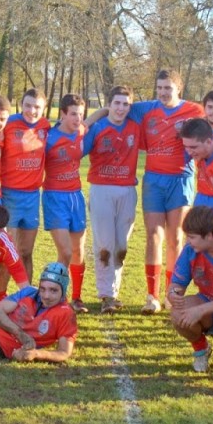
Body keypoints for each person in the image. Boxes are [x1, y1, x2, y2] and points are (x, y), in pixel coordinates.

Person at [87, 70, 204, 314]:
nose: (163, 92)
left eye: (168, 88)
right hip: (153, 180)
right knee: (153, 236)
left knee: (177, 239)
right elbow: (113, 107)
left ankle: (173, 294)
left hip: (181, 179)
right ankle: (152, 296)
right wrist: (88, 122)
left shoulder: (194, 111)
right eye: (160, 87)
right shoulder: (145, 108)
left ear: (178, 90)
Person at [83, 85, 140, 314]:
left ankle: (114, 291)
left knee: (121, 246)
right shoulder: (98, 128)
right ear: (109, 105)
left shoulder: (136, 128)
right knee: (104, 245)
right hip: (102, 189)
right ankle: (106, 294)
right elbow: (79, 148)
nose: (121, 108)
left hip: (127, 190)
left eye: (125, 104)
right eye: (117, 103)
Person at [167, 206, 213, 375]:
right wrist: (173, 294)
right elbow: (176, 284)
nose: (188, 241)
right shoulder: (190, 250)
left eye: (192, 237)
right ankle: (201, 349)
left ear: (208, 235)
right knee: (178, 313)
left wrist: (200, 310)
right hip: (206, 300)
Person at [0, 88, 50, 287]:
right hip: (10, 195)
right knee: (8, 251)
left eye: (37, 107)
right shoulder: (8, 124)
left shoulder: (45, 127)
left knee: (27, 252)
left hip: (33, 196)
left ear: (44, 109)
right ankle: (0, 296)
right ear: (21, 104)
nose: (31, 111)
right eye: (27, 105)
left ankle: (27, 297)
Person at [43, 94, 90, 312]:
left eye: (80, 114)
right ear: (62, 114)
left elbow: (93, 119)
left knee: (78, 251)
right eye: (73, 114)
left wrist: (108, 109)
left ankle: (76, 298)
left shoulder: (80, 131)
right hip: (54, 197)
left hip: (76, 197)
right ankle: (57, 297)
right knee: (66, 251)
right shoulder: (48, 138)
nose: (77, 118)